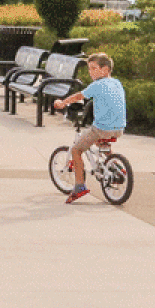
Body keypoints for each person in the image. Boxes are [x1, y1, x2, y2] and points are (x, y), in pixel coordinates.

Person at [54, 53, 127, 204]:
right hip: (119, 128)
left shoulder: (97, 85)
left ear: (105, 70)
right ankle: (115, 167)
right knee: (101, 143)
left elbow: (78, 97)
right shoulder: (116, 82)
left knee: (76, 150)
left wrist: (62, 103)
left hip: (102, 129)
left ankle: (79, 186)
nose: (90, 72)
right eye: (89, 69)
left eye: (94, 68)